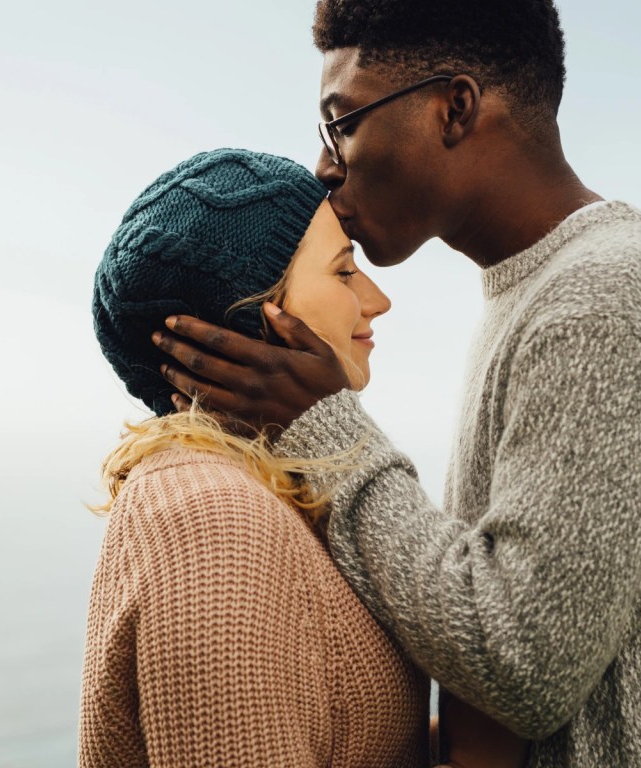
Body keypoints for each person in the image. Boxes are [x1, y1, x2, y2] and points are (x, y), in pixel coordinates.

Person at [150, 2, 641, 767]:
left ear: (453, 108)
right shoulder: (543, 291)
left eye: (343, 123)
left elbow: (519, 663)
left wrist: (325, 426)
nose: (326, 166)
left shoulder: (604, 303)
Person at [82, 148, 528, 768]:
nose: (377, 300)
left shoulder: (278, 492)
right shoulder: (208, 521)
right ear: (256, 320)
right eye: (344, 272)